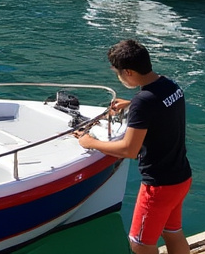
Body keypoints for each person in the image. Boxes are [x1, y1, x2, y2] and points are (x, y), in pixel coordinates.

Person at [77, 39, 191, 254]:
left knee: (140, 243)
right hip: (181, 177)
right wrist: (131, 103)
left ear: (128, 72)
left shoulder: (143, 102)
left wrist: (90, 142)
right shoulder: (170, 85)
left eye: (118, 73)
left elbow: (129, 150)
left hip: (158, 186)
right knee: (172, 232)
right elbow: (159, 104)